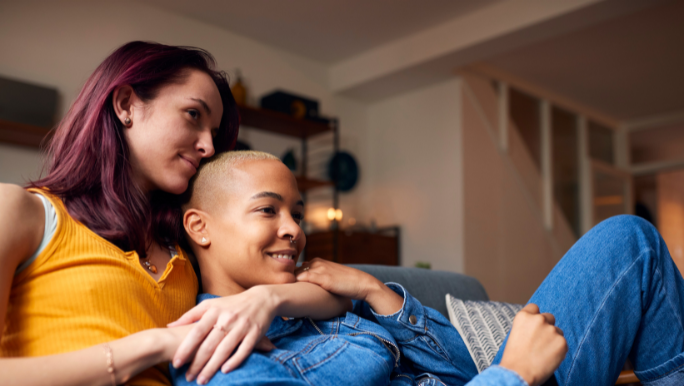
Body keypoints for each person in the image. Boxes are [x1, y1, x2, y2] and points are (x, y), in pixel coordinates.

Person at [0, 41, 351, 386]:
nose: (209, 146)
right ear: (126, 105)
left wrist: (269, 298)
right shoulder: (22, 210)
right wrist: (155, 345)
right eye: (193, 115)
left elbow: (329, 295)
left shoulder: (184, 245)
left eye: (214, 133)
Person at [173, 150, 684, 386]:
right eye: (268, 210)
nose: (294, 230)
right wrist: (515, 374)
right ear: (199, 227)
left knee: (630, 240)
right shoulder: (218, 353)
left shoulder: (313, 298)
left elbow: (463, 370)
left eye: (298, 214)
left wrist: (376, 292)